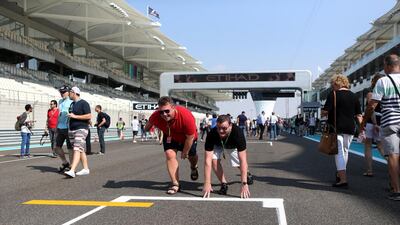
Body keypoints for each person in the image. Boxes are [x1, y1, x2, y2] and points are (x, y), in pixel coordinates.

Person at [362, 54, 400, 200]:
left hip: (390, 122)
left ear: (388, 65)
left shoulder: (383, 81)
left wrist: (364, 121)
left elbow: (372, 105)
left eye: (384, 66)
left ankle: (396, 190)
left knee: (393, 155)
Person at [145, 96, 199, 194]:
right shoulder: (156, 116)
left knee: (192, 155)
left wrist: (185, 152)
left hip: (187, 138)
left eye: (167, 111)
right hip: (171, 136)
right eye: (161, 112)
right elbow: (148, 125)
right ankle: (175, 184)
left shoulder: (186, 115)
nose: (164, 114)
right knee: (169, 154)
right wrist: (147, 128)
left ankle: (193, 167)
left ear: (173, 107)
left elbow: (190, 137)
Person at [321, 74, 362, 188]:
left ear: (336, 83)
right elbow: (359, 115)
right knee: (345, 151)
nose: (332, 87)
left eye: (332, 85)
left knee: (338, 153)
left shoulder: (333, 94)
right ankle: (340, 173)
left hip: (336, 127)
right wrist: (362, 129)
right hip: (350, 128)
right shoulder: (354, 96)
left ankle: (343, 179)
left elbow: (325, 112)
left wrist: (323, 112)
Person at [203, 115, 253, 198]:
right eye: (218, 128)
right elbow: (207, 161)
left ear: (230, 125)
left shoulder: (238, 133)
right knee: (213, 160)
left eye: (224, 128)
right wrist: (207, 183)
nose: (221, 131)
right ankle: (224, 184)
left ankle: (247, 174)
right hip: (217, 144)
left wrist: (244, 183)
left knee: (239, 164)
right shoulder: (212, 134)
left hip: (232, 145)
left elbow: (243, 160)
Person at [361, 74, 385, 177]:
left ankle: (369, 170)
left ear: (373, 81)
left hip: (372, 122)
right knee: (380, 145)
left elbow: (371, 109)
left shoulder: (371, 93)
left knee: (368, 146)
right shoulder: (386, 92)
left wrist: (374, 123)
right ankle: (393, 166)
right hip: (383, 120)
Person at [64, 87, 91, 178]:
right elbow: (72, 116)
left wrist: (75, 116)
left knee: (76, 148)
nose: (68, 94)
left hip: (81, 128)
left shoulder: (84, 103)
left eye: (70, 92)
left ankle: (72, 170)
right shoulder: (72, 104)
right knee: (80, 149)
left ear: (74, 93)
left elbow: (89, 116)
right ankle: (86, 169)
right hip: (72, 129)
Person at [54, 85, 74, 172]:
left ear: (68, 92)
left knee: (70, 148)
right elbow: (58, 114)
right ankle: (65, 162)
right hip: (60, 127)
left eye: (63, 92)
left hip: (69, 128)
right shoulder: (60, 101)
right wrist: (56, 126)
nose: (62, 94)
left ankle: (72, 166)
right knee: (57, 147)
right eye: (60, 92)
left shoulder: (72, 101)